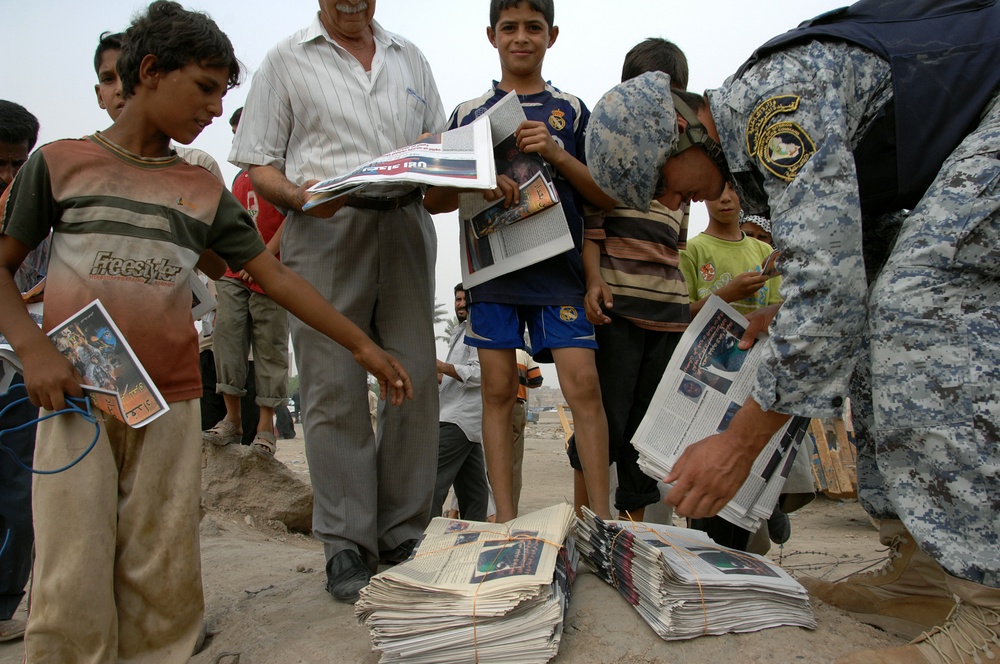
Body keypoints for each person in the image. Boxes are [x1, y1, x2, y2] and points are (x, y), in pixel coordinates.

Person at [585, 0, 1000, 659]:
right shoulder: (755, 147)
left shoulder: (774, 109)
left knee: (920, 299)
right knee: (878, 316)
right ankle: (920, 572)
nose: (674, 203)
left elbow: (832, 294)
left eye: (664, 185)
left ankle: (990, 611)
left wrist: (737, 446)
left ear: (682, 131)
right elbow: (850, 268)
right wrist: (786, 312)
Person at [0, 2, 412, 660]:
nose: (217, 109)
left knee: (162, 560)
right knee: (70, 560)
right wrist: (32, 351)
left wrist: (362, 344)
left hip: (170, 402)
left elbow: (272, 280)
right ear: (152, 71)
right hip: (76, 396)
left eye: (224, 92)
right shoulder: (59, 164)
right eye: (206, 88)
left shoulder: (200, 189)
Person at [230, 0, 445, 604]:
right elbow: (259, 162)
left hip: (405, 223)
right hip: (324, 228)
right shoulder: (284, 61)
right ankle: (347, 545)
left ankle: (404, 535)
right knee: (330, 385)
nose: (353, 1)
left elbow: (431, 144)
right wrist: (298, 198)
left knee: (415, 379)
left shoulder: (411, 58)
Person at [424, 0, 616, 523]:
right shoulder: (467, 114)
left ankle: (600, 518)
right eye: (510, 27)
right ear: (492, 36)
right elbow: (433, 201)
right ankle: (504, 520)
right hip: (493, 277)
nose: (521, 37)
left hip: (561, 275)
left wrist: (555, 153)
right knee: (497, 390)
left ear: (552, 35)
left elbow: (603, 196)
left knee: (584, 388)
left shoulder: (572, 110)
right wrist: (479, 179)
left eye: (533, 27)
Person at [93, 30, 260, 443]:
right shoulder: (67, 167)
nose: (216, 110)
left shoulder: (196, 174)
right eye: (109, 79)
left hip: (167, 360)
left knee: (162, 481)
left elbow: (229, 263)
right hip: (89, 365)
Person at [575, 37, 691, 522]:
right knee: (608, 420)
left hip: (667, 320)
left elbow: (675, 252)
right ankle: (584, 522)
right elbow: (592, 230)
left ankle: (633, 536)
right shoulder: (611, 160)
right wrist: (592, 282)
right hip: (618, 313)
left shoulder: (683, 175)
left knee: (648, 431)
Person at [679, 182, 782, 550]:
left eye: (732, 190)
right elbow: (680, 315)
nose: (724, 198)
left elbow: (785, 311)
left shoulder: (764, 251)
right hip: (708, 375)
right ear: (701, 196)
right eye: (714, 191)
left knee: (748, 469)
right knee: (708, 461)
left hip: (756, 376)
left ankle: (750, 545)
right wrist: (727, 295)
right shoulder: (693, 251)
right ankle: (707, 551)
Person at [202, 106, 290, 455]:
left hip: (271, 272)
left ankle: (265, 427)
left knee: (269, 345)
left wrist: (264, 258)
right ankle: (232, 420)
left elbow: (293, 218)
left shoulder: (281, 173)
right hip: (233, 271)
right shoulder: (238, 178)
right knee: (226, 336)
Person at [0, 100, 42, 645]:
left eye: (18, 164)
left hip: (16, 370)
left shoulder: (34, 215)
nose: (7, 177)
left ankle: (4, 603)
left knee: (16, 490)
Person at [433, 284, 489, 521]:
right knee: (474, 493)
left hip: (458, 419)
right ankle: (473, 538)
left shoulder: (479, 330)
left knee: (431, 482)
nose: (461, 304)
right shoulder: (460, 333)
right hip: (462, 423)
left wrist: (442, 366)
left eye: (465, 299)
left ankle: (417, 538)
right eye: (457, 299)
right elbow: (450, 377)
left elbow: (479, 373)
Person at [511, 347, 542, 511]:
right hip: (516, 406)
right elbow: (537, 380)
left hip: (491, 406)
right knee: (514, 462)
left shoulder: (489, 347)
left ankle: (489, 510)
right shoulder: (523, 354)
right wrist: (521, 382)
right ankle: (510, 509)